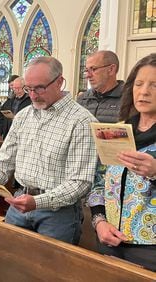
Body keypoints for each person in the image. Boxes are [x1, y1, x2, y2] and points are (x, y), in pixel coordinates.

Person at [0, 56, 98, 245]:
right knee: (9, 263)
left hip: (58, 215)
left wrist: (37, 202)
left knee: (48, 272)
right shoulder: (23, 116)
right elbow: (3, 163)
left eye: (39, 88)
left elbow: (80, 183)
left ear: (59, 82)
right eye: (28, 89)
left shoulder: (81, 121)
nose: (32, 95)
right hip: (19, 203)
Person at [86, 53, 156, 271]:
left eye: (154, 85)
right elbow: (99, 183)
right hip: (110, 239)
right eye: (139, 84)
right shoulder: (118, 131)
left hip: (150, 249)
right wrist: (99, 222)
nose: (144, 91)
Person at [77, 50, 124, 123]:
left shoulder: (128, 100)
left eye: (93, 69)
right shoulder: (82, 100)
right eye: (87, 70)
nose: (88, 75)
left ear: (111, 69)